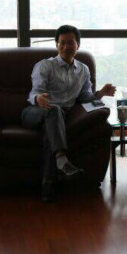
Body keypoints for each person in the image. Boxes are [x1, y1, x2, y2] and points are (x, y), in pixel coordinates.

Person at [22, 25, 116, 202]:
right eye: (62, 43)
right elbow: (34, 93)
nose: (66, 47)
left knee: (51, 128)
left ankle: (48, 188)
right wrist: (38, 98)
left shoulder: (83, 70)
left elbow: (85, 97)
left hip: (58, 118)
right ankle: (61, 159)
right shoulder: (45, 66)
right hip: (34, 112)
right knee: (54, 110)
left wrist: (101, 93)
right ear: (57, 45)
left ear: (78, 45)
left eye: (70, 43)